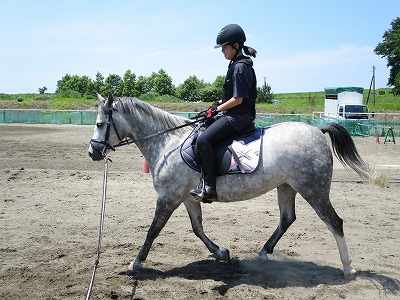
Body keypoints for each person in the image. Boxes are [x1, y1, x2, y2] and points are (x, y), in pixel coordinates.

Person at [189, 24, 257, 202]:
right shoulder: (235, 64)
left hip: (238, 117)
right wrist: (215, 105)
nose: (222, 51)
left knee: (203, 141)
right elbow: (231, 96)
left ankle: (209, 187)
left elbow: (238, 99)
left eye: (224, 47)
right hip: (235, 113)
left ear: (236, 46)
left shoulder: (240, 67)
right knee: (203, 127)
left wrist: (217, 110)